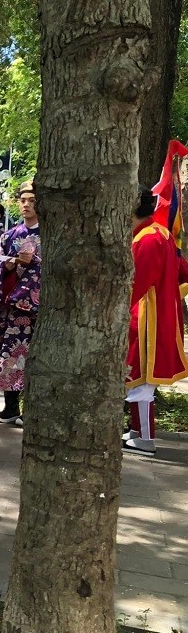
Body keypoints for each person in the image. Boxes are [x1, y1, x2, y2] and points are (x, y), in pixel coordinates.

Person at [123, 187, 188, 456]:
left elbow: (135, 284)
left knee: (141, 381)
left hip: (145, 317)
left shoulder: (148, 239)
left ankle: (146, 439)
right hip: (156, 315)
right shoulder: (160, 233)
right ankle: (138, 432)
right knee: (139, 379)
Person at [0, 180, 40, 425]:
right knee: (10, 356)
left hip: (35, 308)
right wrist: (9, 264)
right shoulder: (9, 235)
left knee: (33, 358)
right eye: (23, 200)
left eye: (32, 200)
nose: (26, 205)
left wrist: (33, 263)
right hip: (11, 308)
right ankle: (10, 407)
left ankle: (31, 410)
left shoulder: (48, 235)